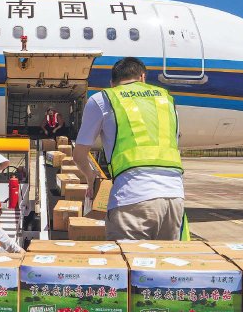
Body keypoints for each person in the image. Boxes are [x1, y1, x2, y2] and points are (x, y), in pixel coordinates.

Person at [73, 57, 184, 240]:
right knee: (163, 257)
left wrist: (90, 177)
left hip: (132, 196)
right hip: (174, 197)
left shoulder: (104, 98)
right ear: (142, 77)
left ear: (112, 83)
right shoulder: (167, 99)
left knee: (127, 258)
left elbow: (79, 155)